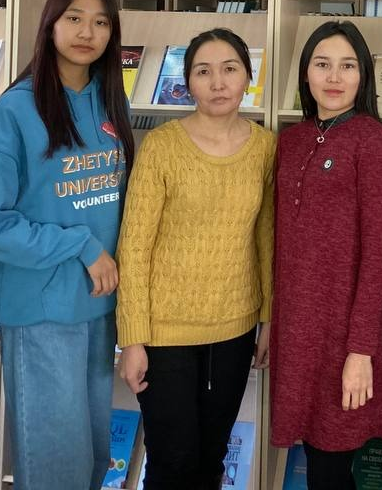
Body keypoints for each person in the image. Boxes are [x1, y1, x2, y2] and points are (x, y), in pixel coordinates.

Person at [0, 0, 135, 490]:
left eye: (101, 22)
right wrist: (81, 245)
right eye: (75, 18)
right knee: (55, 466)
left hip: (99, 306)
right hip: (40, 308)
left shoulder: (110, 102)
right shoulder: (16, 109)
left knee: (94, 459)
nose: (87, 32)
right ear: (50, 25)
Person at [116, 28, 275, 490]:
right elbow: (134, 245)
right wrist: (132, 339)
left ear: (248, 77)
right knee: (172, 460)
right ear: (188, 82)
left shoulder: (266, 148)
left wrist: (269, 318)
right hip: (164, 333)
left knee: (211, 457)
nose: (218, 83)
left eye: (230, 69)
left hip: (235, 330)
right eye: (204, 72)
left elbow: (266, 238)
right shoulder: (162, 146)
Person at [270, 21, 382, 489]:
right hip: (296, 328)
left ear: (363, 75)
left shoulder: (374, 142)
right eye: (322, 64)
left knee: (331, 464)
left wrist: (361, 350)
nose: (334, 77)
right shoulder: (291, 140)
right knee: (313, 454)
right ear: (305, 72)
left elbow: (378, 254)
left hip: (345, 334)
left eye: (347, 66)